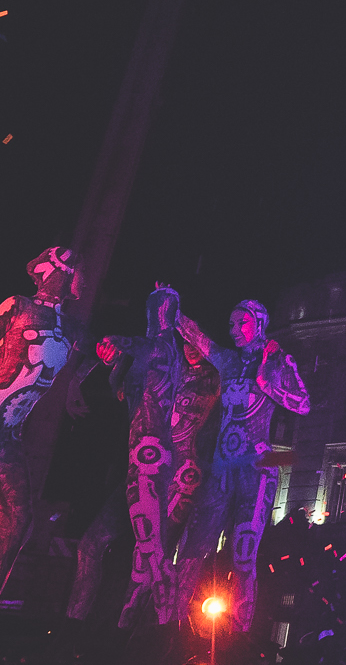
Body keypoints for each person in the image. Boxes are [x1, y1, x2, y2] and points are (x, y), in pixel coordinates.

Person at [66, 284, 220, 628]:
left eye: (196, 339)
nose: (191, 347)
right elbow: (115, 363)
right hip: (140, 470)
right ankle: (74, 627)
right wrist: (86, 374)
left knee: (148, 562)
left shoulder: (212, 375)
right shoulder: (155, 364)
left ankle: (145, 632)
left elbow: (134, 345)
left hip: (179, 478)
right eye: (185, 340)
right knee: (91, 544)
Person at [173, 298, 309, 641]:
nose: (234, 330)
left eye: (242, 323)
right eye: (231, 324)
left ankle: (238, 638)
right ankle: (170, 630)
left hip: (256, 469)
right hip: (222, 469)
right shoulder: (228, 360)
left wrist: (268, 381)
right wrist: (172, 308)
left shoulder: (277, 360)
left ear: (259, 324)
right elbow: (199, 338)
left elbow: (303, 404)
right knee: (191, 550)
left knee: (244, 553)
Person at [0, 247, 88, 594]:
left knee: (20, 520)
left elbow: (87, 357)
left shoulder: (73, 327)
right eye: (75, 268)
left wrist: (74, 387)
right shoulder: (17, 305)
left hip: (10, 435)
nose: (80, 275)